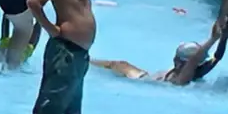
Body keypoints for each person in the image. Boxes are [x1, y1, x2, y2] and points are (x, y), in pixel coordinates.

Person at [92, 38, 220, 85]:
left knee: (116, 64)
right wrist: (223, 38)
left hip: (140, 80)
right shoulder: (192, 74)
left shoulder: (180, 79)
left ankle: (88, 61)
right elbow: (216, 57)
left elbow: (194, 60)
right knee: (116, 64)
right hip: (145, 78)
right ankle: (89, 61)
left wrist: (214, 38)